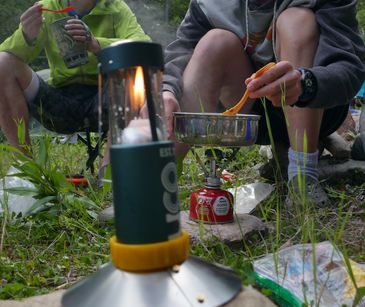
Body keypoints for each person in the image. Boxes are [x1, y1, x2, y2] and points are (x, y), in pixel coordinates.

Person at [162, 0, 365, 207]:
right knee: (214, 41)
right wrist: (167, 91)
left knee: (296, 20)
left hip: (317, 104)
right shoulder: (209, 4)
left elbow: (350, 66)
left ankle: (303, 176)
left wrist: (306, 83)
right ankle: (160, 177)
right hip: (252, 116)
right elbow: (181, 51)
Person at [0, 0, 150, 162]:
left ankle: (111, 171)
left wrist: (96, 43)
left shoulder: (115, 7)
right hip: (59, 103)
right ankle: (24, 167)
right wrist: (26, 36)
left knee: (132, 69)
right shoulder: (48, 8)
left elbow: (143, 47)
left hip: (107, 100)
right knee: (3, 63)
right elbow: (10, 58)